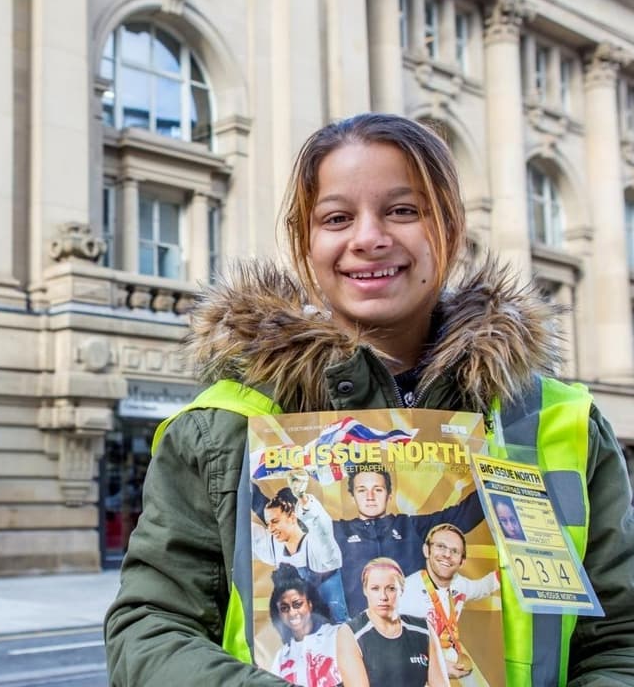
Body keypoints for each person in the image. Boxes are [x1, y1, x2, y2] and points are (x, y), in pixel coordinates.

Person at [104, 113, 634, 686]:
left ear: (450, 230)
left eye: (403, 210)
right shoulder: (220, 427)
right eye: (337, 218)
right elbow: (149, 629)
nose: (368, 237)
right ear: (306, 243)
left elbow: (620, 639)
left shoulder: (559, 421)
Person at [327, 467, 483, 616]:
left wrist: (492, 480)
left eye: (378, 489)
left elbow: (464, 515)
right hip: (358, 634)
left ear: (389, 495)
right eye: (362, 490)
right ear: (352, 496)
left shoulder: (411, 527)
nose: (370, 496)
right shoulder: (336, 531)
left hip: (413, 632)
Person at [401, 524, 498, 686]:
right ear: (426, 550)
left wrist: (509, 567)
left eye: (454, 551)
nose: (447, 555)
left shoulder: (459, 584)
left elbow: (482, 588)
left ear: (462, 561)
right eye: (440, 547)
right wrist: (438, 666)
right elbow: (395, 648)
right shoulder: (406, 593)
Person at [338, 558, 448, 687]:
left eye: (391, 588)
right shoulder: (350, 633)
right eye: (375, 588)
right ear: (365, 590)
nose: (383, 597)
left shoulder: (424, 629)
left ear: (401, 589)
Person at [253, 487, 348, 622]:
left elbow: (321, 529)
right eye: (270, 523)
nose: (271, 528)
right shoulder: (275, 547)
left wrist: (304, 500)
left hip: (335, 631)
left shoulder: (320, 548)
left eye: (275, 522)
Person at [268, 564, 350, 686]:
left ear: (310, 604)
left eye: (297, 604)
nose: (292, 612)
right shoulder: (281, 658)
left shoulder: (338, 636)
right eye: (284, 608)